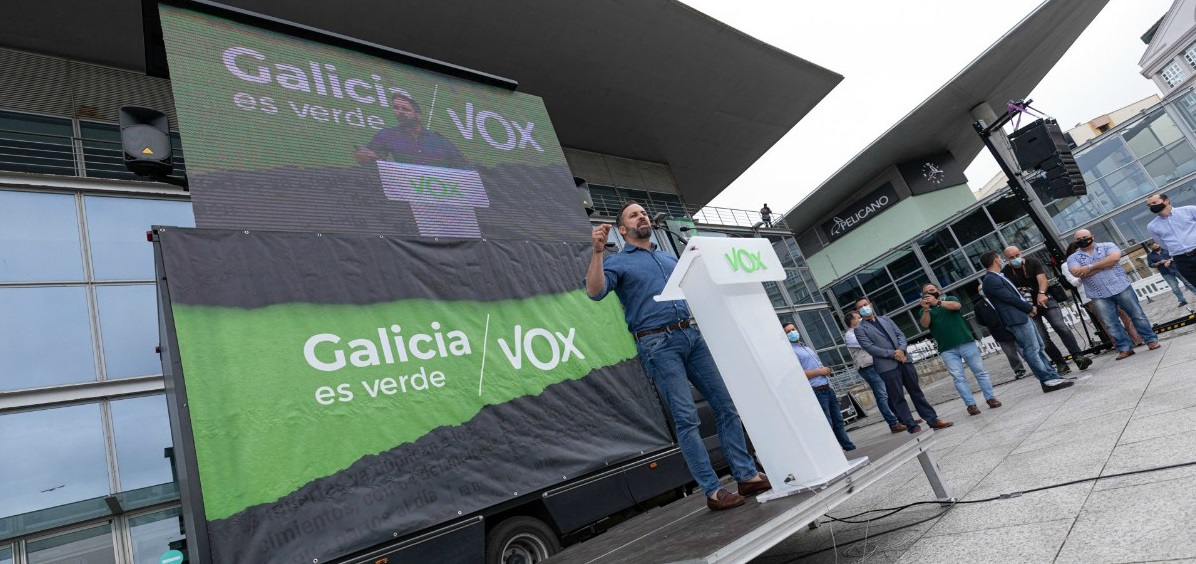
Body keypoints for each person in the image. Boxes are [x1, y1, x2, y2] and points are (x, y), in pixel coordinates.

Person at [585, 201, 769, 511]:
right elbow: (594, 291)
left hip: (691, 335)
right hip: (657, 343)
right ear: (622, 229)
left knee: (727, 406)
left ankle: (746, 475)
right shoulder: (617, 262)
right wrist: (598, 252)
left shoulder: (668, 257)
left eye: (643, 212)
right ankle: (712, 490)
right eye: (633, 215)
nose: (641, 216)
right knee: (687, 419)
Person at [851, 297, 953, 434]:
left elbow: (900, 335)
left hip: (905, 360)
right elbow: (870, 348)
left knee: (917, 392)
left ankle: (933, 420)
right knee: (898, 397)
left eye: (866, 304)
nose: (864, 307)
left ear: (871, 304)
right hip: (887, 366)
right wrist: (894, 353)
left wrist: (902, 350)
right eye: (860, 307)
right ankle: (912, 426)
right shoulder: (860, 329)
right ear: (858, 311)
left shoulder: (886, 319)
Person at [979, 251, 1074, 393]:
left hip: (1021, 316)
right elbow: (1009, 298)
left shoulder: (998, 277)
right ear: (996, 260)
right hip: (1016, 318)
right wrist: (1029, 307)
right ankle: (1047, 380)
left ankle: (1053, 376)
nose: (1002, 260)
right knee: (1032, 350)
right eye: (1000, 257)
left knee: (1039, 347)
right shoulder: (991, 279)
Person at [1066, 229, 1160, 360]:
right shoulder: (1073, 258)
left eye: (1085, 237)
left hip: (1121, 287)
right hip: (1097, 293)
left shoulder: (1107, 246)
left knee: (1137, 315)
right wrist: (1104, 264)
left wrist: (1088, 267)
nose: (1082, 240)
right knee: (1110, 323)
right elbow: (1076, 273)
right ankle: (1125, 348)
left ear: (1092, 236)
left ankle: (1151, 341)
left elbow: (1115, 258)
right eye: (1078, 239)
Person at [1002, 246, 1093, 374]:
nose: (1015, 259)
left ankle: (1078, 356)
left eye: (1017, 255)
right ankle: (1060, 363)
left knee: (1060, 326)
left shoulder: (1033, 262)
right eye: (1011, 257)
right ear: (1006, 259)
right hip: (1028, 306)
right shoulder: (1005, 272)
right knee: (1043, 338)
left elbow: (1042, 279)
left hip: (1046, 299)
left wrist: (1041, 292)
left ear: (1021, 253)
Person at [918, 283, 1001, 415]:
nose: (930, 293)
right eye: (926, 292)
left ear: (938, 291)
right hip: (946, 349)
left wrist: (937, 302)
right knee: (958, 377)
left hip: (965, 342)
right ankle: (971, 405)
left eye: (932, 290)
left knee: (980, 371)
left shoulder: (949, 299)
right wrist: (927, 309)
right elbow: (924, 324)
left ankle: (990, 398)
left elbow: (957, 306)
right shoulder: (924, 309)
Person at [784, 323, 855, 451]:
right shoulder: (791, 352)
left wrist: (825, 370)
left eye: (793, 329)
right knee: (826, 424)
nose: (792, 332)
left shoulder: (806, 348)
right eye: (788, 331)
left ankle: (849, 447)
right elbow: (798, 374)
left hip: (827, 388)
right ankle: (832, 452)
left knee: (838, 421)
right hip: (816, 391)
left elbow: (816, 367)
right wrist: (819, 372)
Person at [354, 90, 468, 169]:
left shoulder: (438, 140)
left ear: (418, 115)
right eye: (396, 108)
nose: (400, 112)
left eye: (405, 109)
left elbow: (462, 165)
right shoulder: (387, 135)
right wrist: (365, 155)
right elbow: (367, 157)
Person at [1062, 241, 1141, 349]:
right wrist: (1087, 273)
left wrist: (1089, 269)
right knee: (1107, 321)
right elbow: (1074, 282)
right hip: (1090, 296)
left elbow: (1108, 265)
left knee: (1125, 314)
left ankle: (1137, 339)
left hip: (1109, 290)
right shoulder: (1066, 265)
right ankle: (1121, 345)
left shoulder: (1093, 257)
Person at [844, 311, 905, 433]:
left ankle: (903, 419)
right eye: (858, 317)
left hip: (877, 364)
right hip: (867, 367)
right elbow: (869, 343)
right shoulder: (850, 335)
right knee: (882, 395)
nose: (861, 319)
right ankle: (893, 423)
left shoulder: (862, 330)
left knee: (891, 392)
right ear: (853, 321)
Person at [973, 282, 1028, 379]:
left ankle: (1035, 363)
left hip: (1012, 326)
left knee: (1024, 348)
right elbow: (980, 320)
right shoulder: (978, 306)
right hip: (999, 331)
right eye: (980, 290)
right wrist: (992, 323)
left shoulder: (998, 298)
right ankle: (1019, 370)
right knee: (1010, 353)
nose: (982, 291)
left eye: (983, 288)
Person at [1146, 193, 1196, 288]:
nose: (1151, 206)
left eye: (1154, 202)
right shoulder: (1152, 226)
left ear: (1166, 201)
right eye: (1149, 205)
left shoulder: (1189, 210)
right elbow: (1163, 244)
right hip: (1182, 260)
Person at [1146, 240, 1196, 307]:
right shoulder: (1150, 256)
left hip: (1176, 269)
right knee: (1174, 287)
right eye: (1152, 248)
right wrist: (1160, 262)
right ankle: (1182, 300)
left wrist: (1169, 260)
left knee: (1187, 282)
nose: (1155, 248)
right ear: (1150, 248)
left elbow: (1175, 256)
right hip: (1165, 273)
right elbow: (1151, 265)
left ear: (1158, 244)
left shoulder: (1167, 249)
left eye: (1155, 246)